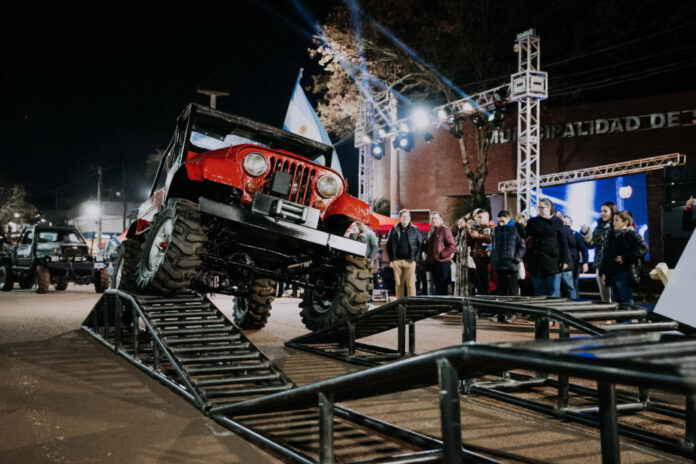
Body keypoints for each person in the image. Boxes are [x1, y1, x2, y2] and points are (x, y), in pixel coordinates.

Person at [516, 199, 570, 297]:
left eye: (542, 207)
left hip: (553, 262)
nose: (540, 210)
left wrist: (565, 260)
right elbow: (524, 235)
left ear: (549, 208)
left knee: (553, 291)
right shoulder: (534, 221)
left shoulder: (558, 222)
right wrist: (519, 224)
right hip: (537, 262)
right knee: (538, 291)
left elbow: (564, 242)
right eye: (539, 208)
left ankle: (553, 307)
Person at [600, 210, 648, 305]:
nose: (614, 222)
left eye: (617, 220)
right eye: (613, 220)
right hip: (611, 273)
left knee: (626, 301)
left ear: (625, 222)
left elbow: (644, 248)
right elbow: (606, 254)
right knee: (615, 303)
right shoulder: (612, 235)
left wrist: (625, 257)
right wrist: (603, 272)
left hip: (624, 273)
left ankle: (629, 315)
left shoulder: (631, 235)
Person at [491, 210, 526, 320]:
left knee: (513, 291)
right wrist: (494, 260)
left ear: (509, 219)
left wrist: (515, 259)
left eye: (503, 221)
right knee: (501, 292)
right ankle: (501, 314)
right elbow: (494, 246)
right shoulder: (496, 230)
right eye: (499, 221)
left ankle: (512, 314)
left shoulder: (515, 230)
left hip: (511, 266)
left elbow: (522, 247)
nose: (500, 224)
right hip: (499, 265)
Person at [581, 201, 617, 302]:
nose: (602, 213)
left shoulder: (617, 226)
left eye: (605, 211)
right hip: (600, 264)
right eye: (601, 211)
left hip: (614, 264)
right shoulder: (599, 227)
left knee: (615, 294)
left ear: (612, 212)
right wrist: (586, 233)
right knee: (604, 295)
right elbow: (591, 244)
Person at [386, 209, 423, 299]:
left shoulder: (415, 230)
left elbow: (420, 244)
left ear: (410, 218)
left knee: (411, 284)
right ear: (400, 218)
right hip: (397, 262)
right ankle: (400, 303)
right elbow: (388, 245)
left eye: (407, 216)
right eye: (403, 216)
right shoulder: (394, 230)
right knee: (398, 284)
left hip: (410, 261)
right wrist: (392, 260)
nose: (405, 218)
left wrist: (415, 259)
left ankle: (412, 304)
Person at [424, 211, 456, 295]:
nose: (434, 220)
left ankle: (443, 303)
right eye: (432, 219)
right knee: (437, 288)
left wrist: (442, 255)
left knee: (442, 288)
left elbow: (452, 245)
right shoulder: (433, 231)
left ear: (440, 219)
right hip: (434, 264)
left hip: (442, 264)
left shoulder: (445, 230)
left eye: (436, 218)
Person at [468, 210, 494, 296]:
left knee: (484, 280)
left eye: (480, 217)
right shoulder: (478, 227)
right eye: (478, 217)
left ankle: (485, 296)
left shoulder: (487, 227)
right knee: (479, 280)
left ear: (486, 218)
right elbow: (472, 235)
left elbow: (488, 239)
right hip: (477, 257)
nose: (478, 219)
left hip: (484, 258)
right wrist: (472, 226)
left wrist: (478, 235)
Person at [563, 215, 589, 297]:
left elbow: (584, 249)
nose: (565, 225)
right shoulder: (559, 234)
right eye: (563, 223)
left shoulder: (575, 234)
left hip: (574, 264)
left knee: (573, 286)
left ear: (571, 224)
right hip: (562, 264)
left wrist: (585, 263)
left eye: (566, 223)